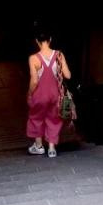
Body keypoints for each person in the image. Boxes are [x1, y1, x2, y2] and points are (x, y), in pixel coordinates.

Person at [26, 29, 71, 158]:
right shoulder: (59, 55)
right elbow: (68, 75)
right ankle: (51, 149)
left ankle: (39, 146)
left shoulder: (33, 58)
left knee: (36, 118)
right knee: (54, 119)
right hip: (55, 94)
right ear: (50, 39)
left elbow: (34, 81)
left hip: (40, 95)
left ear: (36, 41)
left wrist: (29, 93)